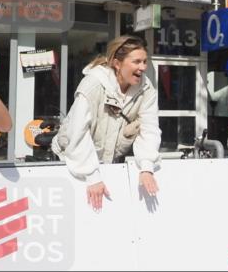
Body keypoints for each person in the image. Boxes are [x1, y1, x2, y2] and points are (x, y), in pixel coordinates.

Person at [52, 36, 161, 211]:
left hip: (106, 162)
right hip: (70, 160)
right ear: (117, 64)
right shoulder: (93, 84)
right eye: (137, 62)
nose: (143, 67)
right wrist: (91, 175)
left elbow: (150, 128)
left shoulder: (146, 89)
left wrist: (147, 167)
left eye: (145, 61)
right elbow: (78, 132)